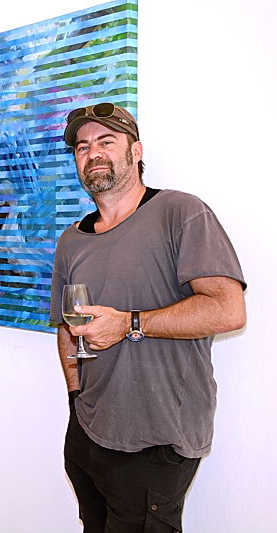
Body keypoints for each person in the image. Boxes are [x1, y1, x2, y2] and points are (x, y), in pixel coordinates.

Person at [50, 103, 247, 532]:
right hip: (87, 430)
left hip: (156, 438)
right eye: (82, 147)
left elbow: (228, 309)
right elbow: (67, 328)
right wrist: (75, 397)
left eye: (106, 141)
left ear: (135, 151)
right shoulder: (71, 240)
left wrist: (129, 323)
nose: (93, 153)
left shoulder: (181, 212)